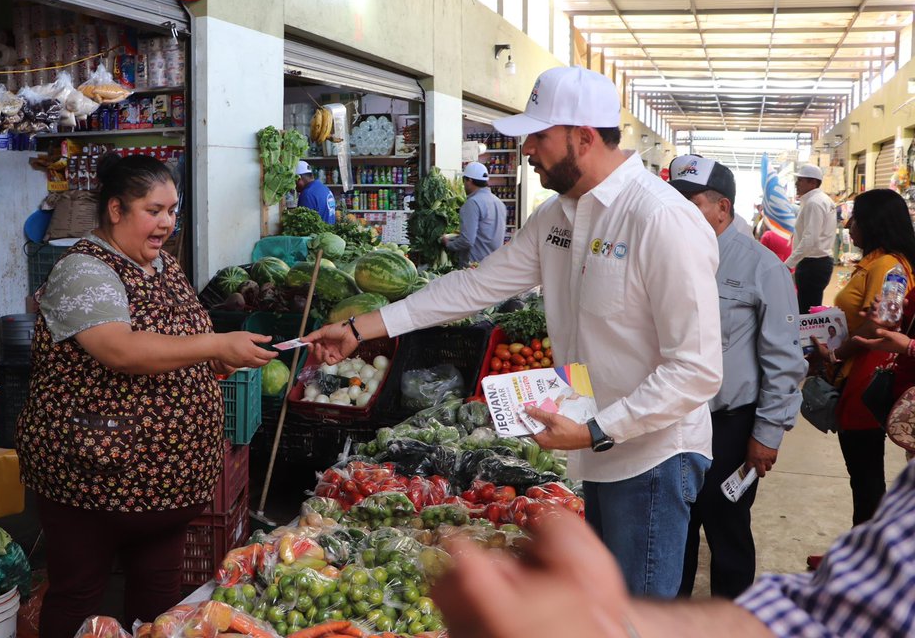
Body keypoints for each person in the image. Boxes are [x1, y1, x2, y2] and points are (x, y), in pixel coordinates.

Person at [304, 65, 723, 597]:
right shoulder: (558, 217)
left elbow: (697, 369)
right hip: (597, 447)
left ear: (584, 136)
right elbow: (474, 287)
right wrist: (363, 327)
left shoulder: (660, 220)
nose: (528, 149)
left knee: (637, 617)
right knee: (602, 610)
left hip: (652, 456)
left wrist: (597, 430)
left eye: (539, 135)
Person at [15, 154, 278, 638]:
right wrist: (215, 344)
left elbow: (177, 341)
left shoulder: (163, 266)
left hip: (165, 485)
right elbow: (119, 348)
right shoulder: (83, 270)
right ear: (115, 210)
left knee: (159, 604)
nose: (167, 222)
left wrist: (212, 360)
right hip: (95, 476)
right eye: (153, 210)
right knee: (77, 597)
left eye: (173, 210)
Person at [431, 457, 915, 638]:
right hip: (614, 449)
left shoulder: (691, 245)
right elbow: (840, 614)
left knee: (723, 533)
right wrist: (610, 624)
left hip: (670, 445)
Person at [667, 155, 805, 599]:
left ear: (722, 208)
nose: (677, 211)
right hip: (670, 418)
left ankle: (732, 620)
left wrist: (767, 433)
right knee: (674, 527)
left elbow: (784, 357)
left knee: (726, 530)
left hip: (729, 424)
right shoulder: (663, 257)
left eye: (691, 202)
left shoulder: (762, 267)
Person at [811, 188, 915, 528]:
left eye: (855, 217)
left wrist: (837, 354)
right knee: (864, 472)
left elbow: (880, 323)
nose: (849, 223)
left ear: (873, 222)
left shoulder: (888, 266)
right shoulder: (877, 263)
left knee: (866, 472)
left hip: (867, 375)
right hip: (860, 371)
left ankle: (866, 553)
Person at [786, 164, 837, 313]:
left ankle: (809, 337)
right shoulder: (820, 200)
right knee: (809, 308)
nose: (797, 184)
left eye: (801, 180)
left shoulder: (814, 203)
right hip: (817, 263)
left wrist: (788, 264)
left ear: (813, 183)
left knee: (807, 312)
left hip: (813, 264)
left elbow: (809, 239)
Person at [442, 161, 506, 265]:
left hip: (474, 266)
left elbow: (467, 240)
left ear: (469, 181)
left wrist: (448, 244)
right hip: (494, 264)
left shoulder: (473, 203)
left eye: (464, 180)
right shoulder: (498, 202)